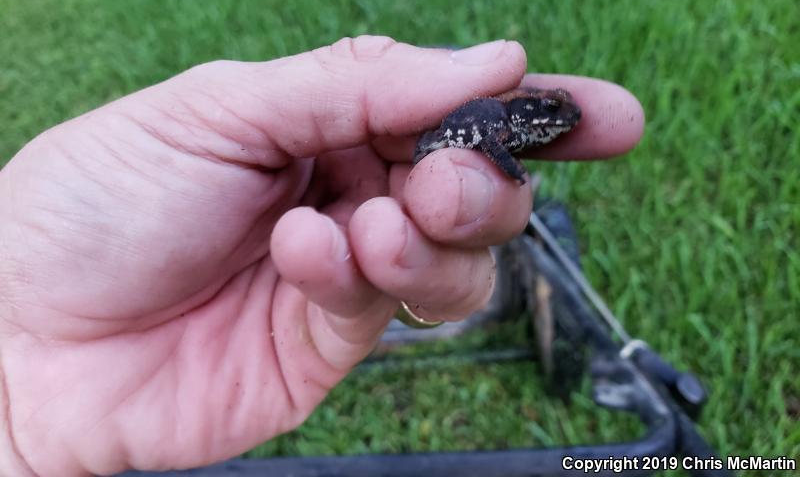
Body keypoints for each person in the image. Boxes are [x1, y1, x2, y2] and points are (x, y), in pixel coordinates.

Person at [0, 37, 644, 476]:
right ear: (533, 108)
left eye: (557, 112)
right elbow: (494, 147)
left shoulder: (518, 123)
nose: (561, 116)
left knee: (425, 229)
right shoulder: (507, 119)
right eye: (553, 109)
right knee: (438, 216)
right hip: (433, 151)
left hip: (412, 179)